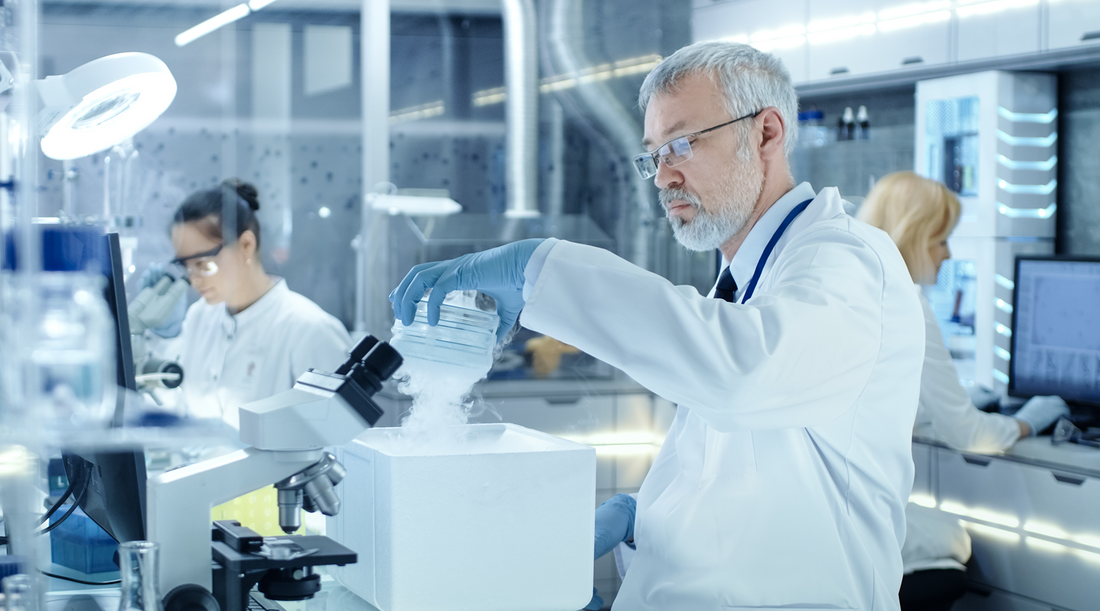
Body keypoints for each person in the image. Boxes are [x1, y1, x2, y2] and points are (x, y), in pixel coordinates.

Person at [391, 42, 926, 610]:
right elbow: (747, 484)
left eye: (681, 145)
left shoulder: (844, 259)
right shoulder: (748, 280)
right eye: (653, 155)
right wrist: (648, 525)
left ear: (767, 133)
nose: (663, 176)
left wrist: (536, 270)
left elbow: (743, 375)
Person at [857, 171, 1069, 611]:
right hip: (856, 517)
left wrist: (958, 399)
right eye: (941, 240)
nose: (948, 253)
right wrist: (1031, 420)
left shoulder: (852, 287)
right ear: (913, 236)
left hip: (817, 509)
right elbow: (969, 435)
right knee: (955, 537)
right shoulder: (904, 302)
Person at [151, 179, 352, 428]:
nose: (194, 280)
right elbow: (172, 407)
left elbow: (341, 443)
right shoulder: (200, 316)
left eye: (203, 264)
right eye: (186, 266)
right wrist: (165, 337)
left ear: (246, 245)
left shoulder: (310, 329)